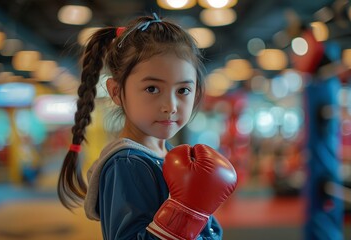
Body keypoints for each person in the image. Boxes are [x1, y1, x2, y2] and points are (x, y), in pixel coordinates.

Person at [57, 13, 237, 240]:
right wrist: (185, 212)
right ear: (115, 92)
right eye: (152, 88)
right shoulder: (128, 163)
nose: (171, 106)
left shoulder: (172, 156)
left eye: (183, 90)